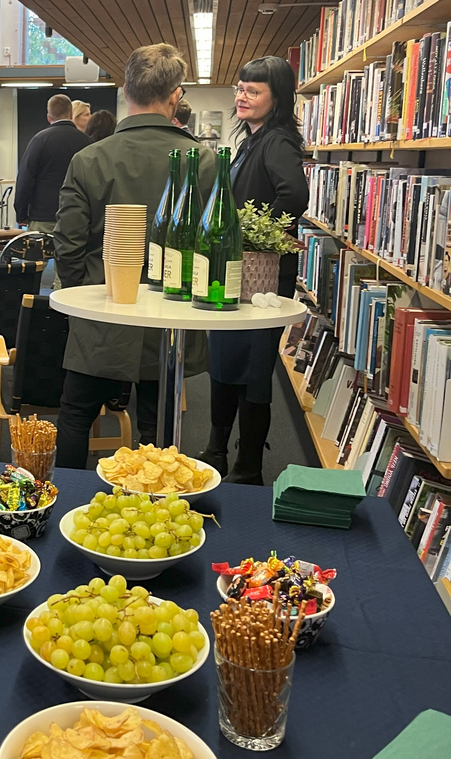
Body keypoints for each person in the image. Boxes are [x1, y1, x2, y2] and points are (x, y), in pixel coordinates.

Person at [54, 44, 215, 469]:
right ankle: (152, 514)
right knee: (158, 429)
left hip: (102, 310)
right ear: (176, 95)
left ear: (125, 89)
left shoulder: (88, 159)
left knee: (75, 415)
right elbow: (211, 246)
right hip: (172, 317)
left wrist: (83, 301)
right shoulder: (205, 162)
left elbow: (67, 244)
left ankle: (64, 509)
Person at [198, 56, 309, 484]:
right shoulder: (251, 139)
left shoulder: (277, 140)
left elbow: (294, 195)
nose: (242, 96)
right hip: (238, 275)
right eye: (240, 88)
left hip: (260, 278)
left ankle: (247, 466)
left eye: (254, 90)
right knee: (228, 363)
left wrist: (259, 236)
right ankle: (216, 450)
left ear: (276, 98)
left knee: (253, 372)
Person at [14, 93, 91, 235]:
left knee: (36, 256)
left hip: (42, 216)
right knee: (71, 256)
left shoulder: (39, 140)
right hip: (75, 216)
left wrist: (21, 213)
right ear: (71, 114)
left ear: (49, 117)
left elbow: (25, 179)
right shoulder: (87, 142)